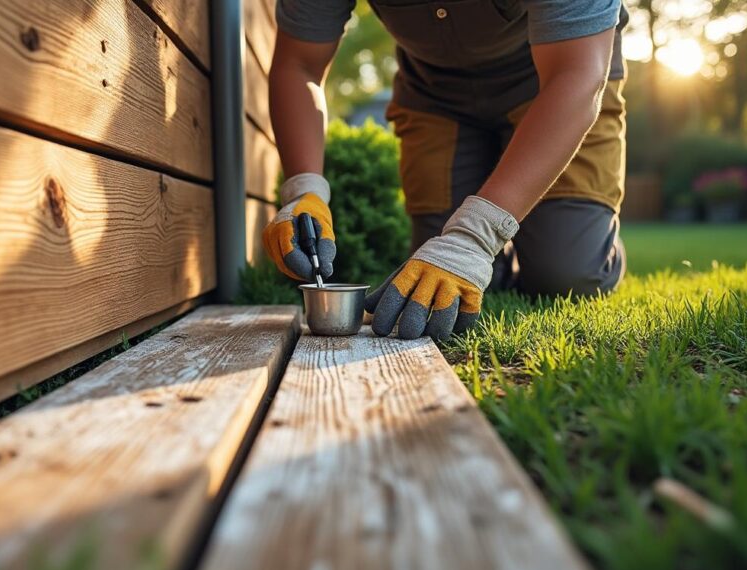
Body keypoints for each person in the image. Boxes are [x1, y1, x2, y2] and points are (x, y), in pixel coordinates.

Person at [262, 0, 629, 341]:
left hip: (555, 85)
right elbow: (299, 65)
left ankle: (588, 237)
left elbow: (576, 74)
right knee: (435, 276)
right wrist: (305, 189)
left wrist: (473, 236)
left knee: (566, 276)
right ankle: (500, 263)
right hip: (435, 98)